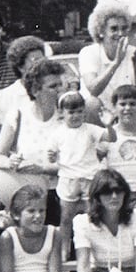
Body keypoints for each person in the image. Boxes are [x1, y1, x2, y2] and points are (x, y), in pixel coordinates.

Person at [0, 59, 65, 221]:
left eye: (60, 85)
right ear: (35, 90)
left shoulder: (67, 118)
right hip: (21, 196)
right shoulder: (17, 115)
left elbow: (75, 164)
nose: (59, 90)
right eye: (53, 86)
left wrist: (42, 168)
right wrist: (10, 163)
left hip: (57, 196)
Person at [50, 91, 110, 247]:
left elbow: (112, 138)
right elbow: (52, 155)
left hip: (89, 178)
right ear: (62, 113)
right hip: (68, 179)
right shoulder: (57, 133)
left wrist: (108, 124)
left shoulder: (90, 129)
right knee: (66, 217)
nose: (76, 116)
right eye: (71, 112)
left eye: (79, 112)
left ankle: (92, 249)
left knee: (91, 216)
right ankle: (64, 250)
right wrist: (51, 156)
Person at [79, 0, 136, 124]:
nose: (120, 33)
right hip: (99, 113)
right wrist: (116, 62)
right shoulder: (88, 52)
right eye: (114, 29)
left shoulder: (135, 52)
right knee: (91, 102)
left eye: (124, 28)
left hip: (126, 110)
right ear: (101, 31)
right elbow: (93, 90)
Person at [0, 36, 53, 124]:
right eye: (35, 61)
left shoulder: (53, 88)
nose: (41, 65)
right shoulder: (5, 96)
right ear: (20, 66)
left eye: (43, 60)